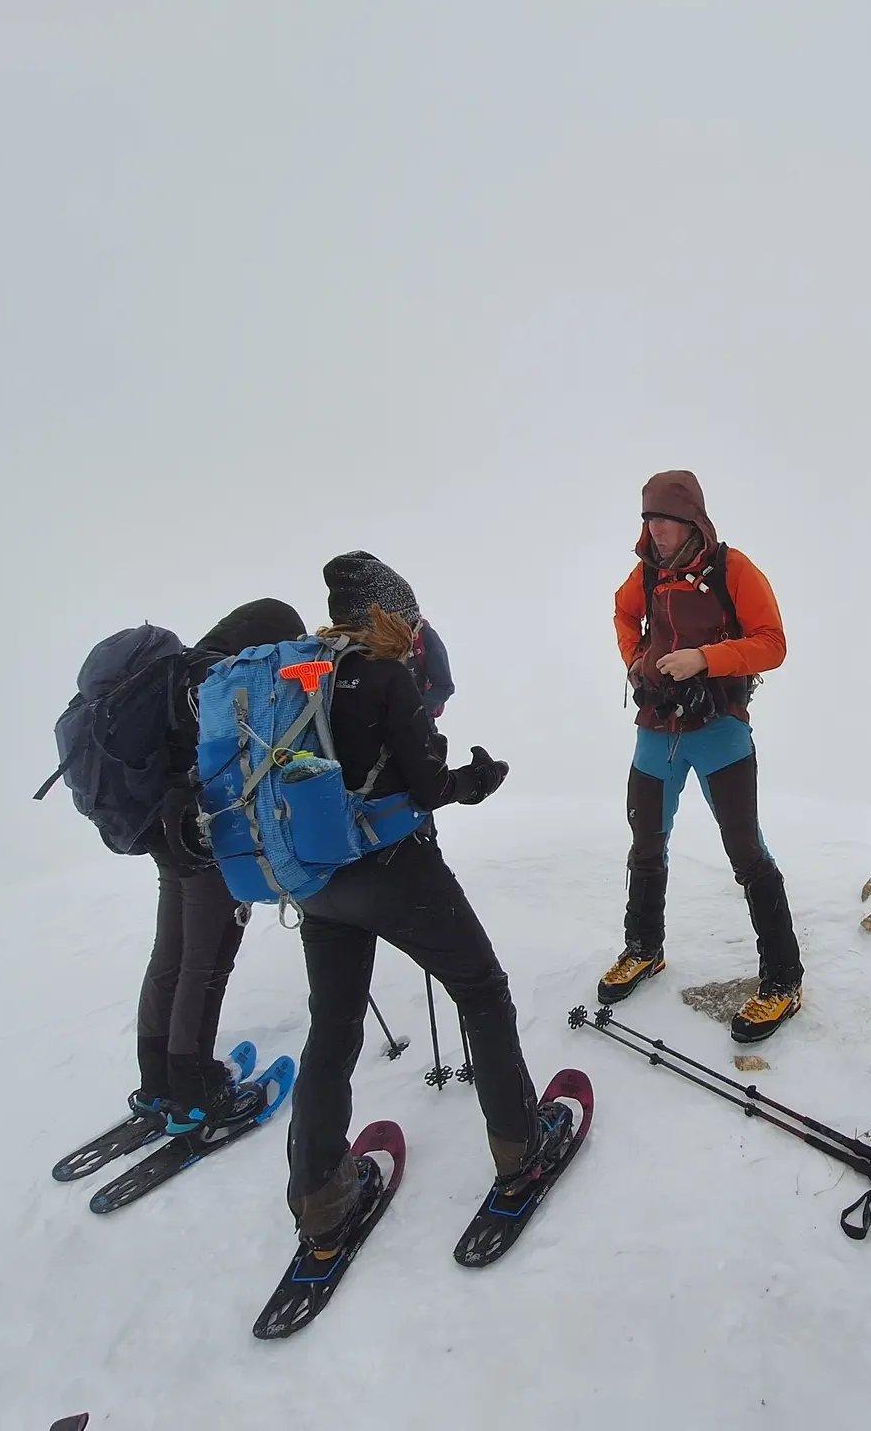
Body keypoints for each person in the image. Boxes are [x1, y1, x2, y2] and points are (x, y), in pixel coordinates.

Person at [284, 552, 557, 1250]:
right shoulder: (384, 678)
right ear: (389, 615)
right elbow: (430, 786)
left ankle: (320, 1197)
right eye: (406, 616)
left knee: (333, 1026)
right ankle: (520, 1151)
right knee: (483, 991)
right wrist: (478, 778)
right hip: (393, 871)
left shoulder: (301, 675)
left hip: (317, 884)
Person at [598, 470, 801, 1043]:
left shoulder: (733, 570)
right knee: (646, 841)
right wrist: (636, 659)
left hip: (719, 732)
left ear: (693, 520)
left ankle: (784, 979)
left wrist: (704, 659)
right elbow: (622, 612)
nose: (655, 528)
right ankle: (644, 948)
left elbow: (773, 643)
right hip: (656, 729)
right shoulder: (647, 572)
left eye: (666, 518)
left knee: (746, 851)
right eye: (648, 518)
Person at [132, 598, 309, 1131]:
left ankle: (156, 1080)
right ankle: (196, 1090)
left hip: (166, 835)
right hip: (206, 839)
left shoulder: (173, 674)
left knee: (172, 954)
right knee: (205, 965)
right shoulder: (219, 680)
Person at [321, 550, 454, 718]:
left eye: (412, 623)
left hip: (415, 724)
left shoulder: (424, 635)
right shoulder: (334, 655)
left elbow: (444, 685)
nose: (412, 633)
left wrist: (413, 714)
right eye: (404, 623)